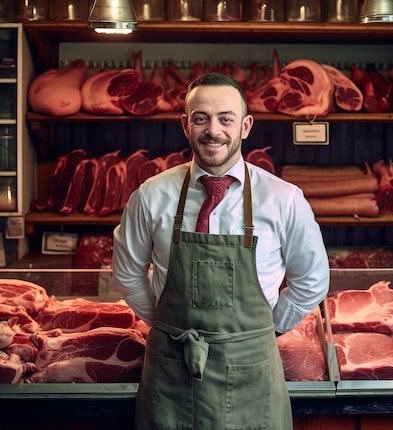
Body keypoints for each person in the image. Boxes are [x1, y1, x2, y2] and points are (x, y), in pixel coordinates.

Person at [112, 72, 330, 430]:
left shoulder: (283, 199)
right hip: (171, 370)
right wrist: (165, 323)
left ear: (245, 126)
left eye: (225, 119)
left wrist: (265, 329)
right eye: (201, 118)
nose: (213, 130)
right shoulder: (151, 195)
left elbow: (312, 280)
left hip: (252, 375)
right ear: (186, 124)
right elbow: (128, 272)